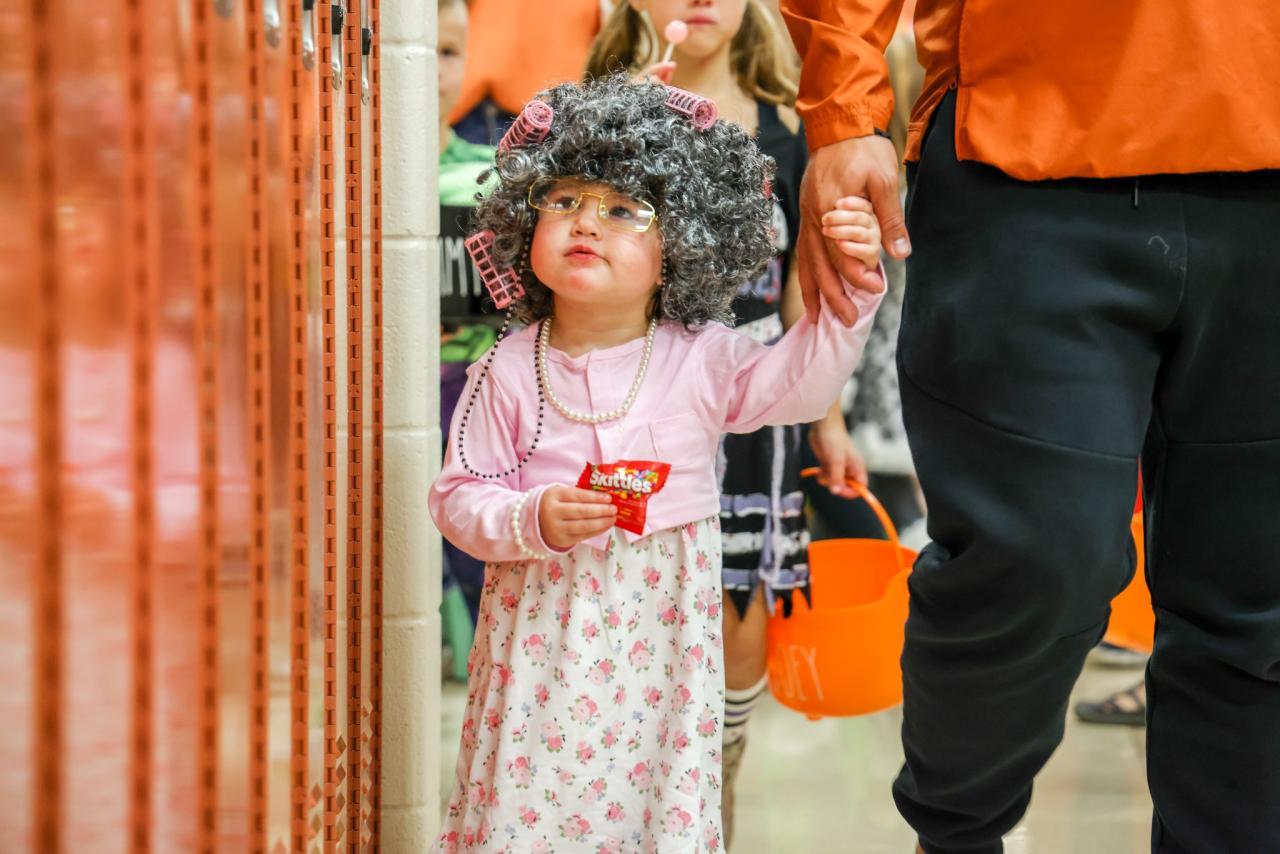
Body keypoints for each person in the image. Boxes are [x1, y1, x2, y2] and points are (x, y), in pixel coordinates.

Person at [778, 1, 1280, 852]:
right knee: (1029, 565)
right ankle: (959, 837)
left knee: (1257, 600)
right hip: (1025, 144)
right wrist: (844, 113)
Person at [428, 74, 882, 852]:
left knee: (649, 798)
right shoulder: (506, 367)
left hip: (660, 647)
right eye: (563, 200)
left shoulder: (702, 359)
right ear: (523, 221)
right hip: (541, 643)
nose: (586, 222)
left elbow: (800, 387)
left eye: (623, 210)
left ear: (683, 243)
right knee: (532, 800)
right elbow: (457, 496)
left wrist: (851, 289)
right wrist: (529, 517)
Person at [584, 3, 867, 842]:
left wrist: (829, 420)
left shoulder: (791, 130)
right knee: (633, 608)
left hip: (755, 403)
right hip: (640, 397)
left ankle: (715, 777)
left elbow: (804, 289)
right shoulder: (604, 113)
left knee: (739, 615)